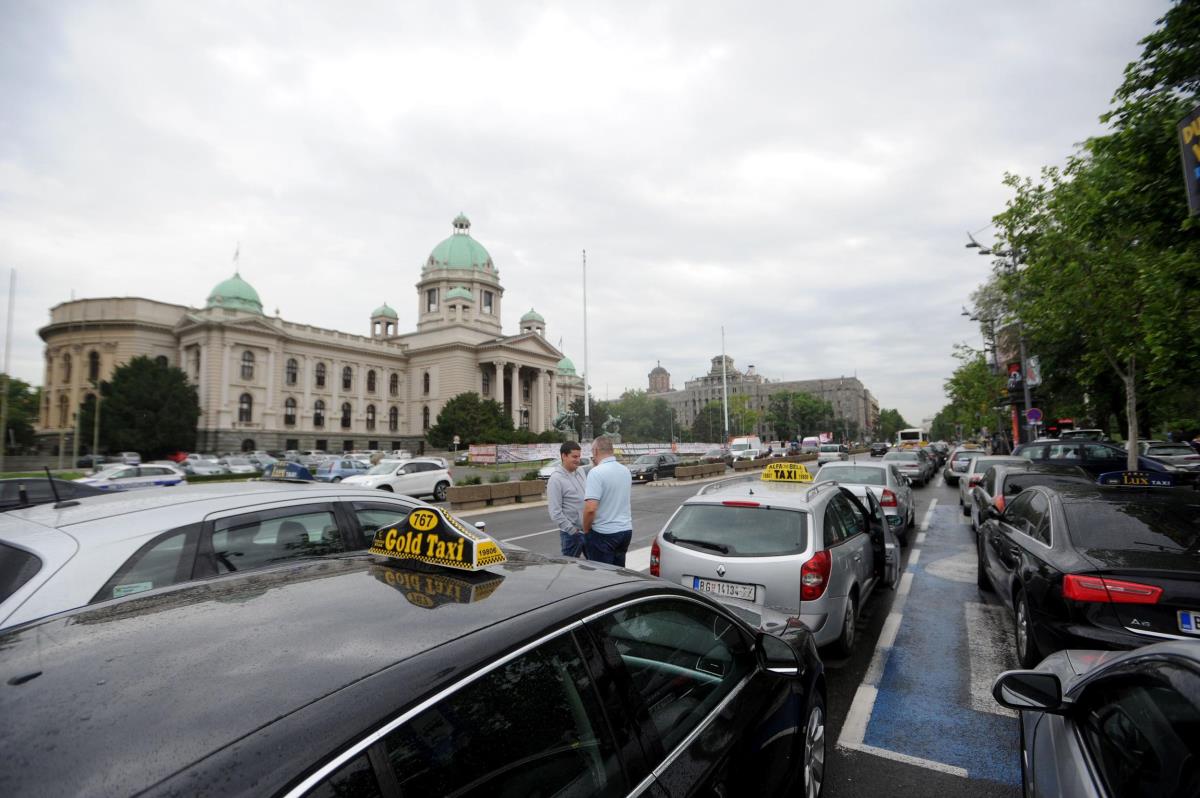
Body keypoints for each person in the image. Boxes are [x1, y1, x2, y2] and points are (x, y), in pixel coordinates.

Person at [582, 436, 633, 565]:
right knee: (618, 574)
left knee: (603, 576)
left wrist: (586, 530)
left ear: (595, 451)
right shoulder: (625, 471)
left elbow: (590, 508)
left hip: (604, 533)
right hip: (625, 530)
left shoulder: (596, 473)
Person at [546, 441, 587, 557]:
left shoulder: (580, 471)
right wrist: (572, 531)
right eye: (574, 456)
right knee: (569, 571)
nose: (578, 460)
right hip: (572, 535)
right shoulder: (556, 479)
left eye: (579, 456)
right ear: (563, 456)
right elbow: (555, 512)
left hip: (588, 530)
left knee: (596, 568)